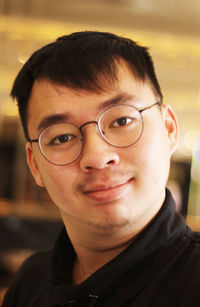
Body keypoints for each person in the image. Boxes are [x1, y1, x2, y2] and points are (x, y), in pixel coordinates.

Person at [2, 31, 200, 307]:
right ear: (35, 164)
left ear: (169, 129)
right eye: (62, 137)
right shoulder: (31, 283)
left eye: (121, 121)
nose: (96, 156)